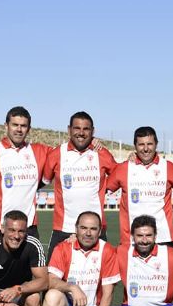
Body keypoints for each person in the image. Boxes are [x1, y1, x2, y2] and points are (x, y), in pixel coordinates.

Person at [36, 211, 120, 306]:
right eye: (83, 228)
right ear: (76, 229)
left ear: (100, 231)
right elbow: (51, 280)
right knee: (52, 295)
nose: (88, 233)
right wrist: (72, 288)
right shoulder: (63, 247)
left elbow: (108, 293)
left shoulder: (107, 250)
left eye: (93, 229)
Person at [0, 106, 51, 242]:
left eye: (23, 126)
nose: (19, 129)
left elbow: (66, 151)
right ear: (6, 126)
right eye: (15, 125)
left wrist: (93, 142)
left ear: (28, 129)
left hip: (28, 227)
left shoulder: (39, 151)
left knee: (34, 264)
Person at [42, 111, 117, 259]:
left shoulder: (102, 153)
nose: (81, 133)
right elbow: (43, 180)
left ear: (92, 131)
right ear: (69, 129)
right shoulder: (56, 154)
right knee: (53, 278)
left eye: (86, 129)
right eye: (77, 128)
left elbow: (120, 176)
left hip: (96, 229)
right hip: (63, 228)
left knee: (99, 279)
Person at [106, 126, 173, 246]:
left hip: (163, 238)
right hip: (131, 239)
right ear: (135, 146)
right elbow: (102, 190)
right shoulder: (123, 168)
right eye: (141, 144)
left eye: (149, 144)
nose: (145, 149)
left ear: (156, 144)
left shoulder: (169, 167)